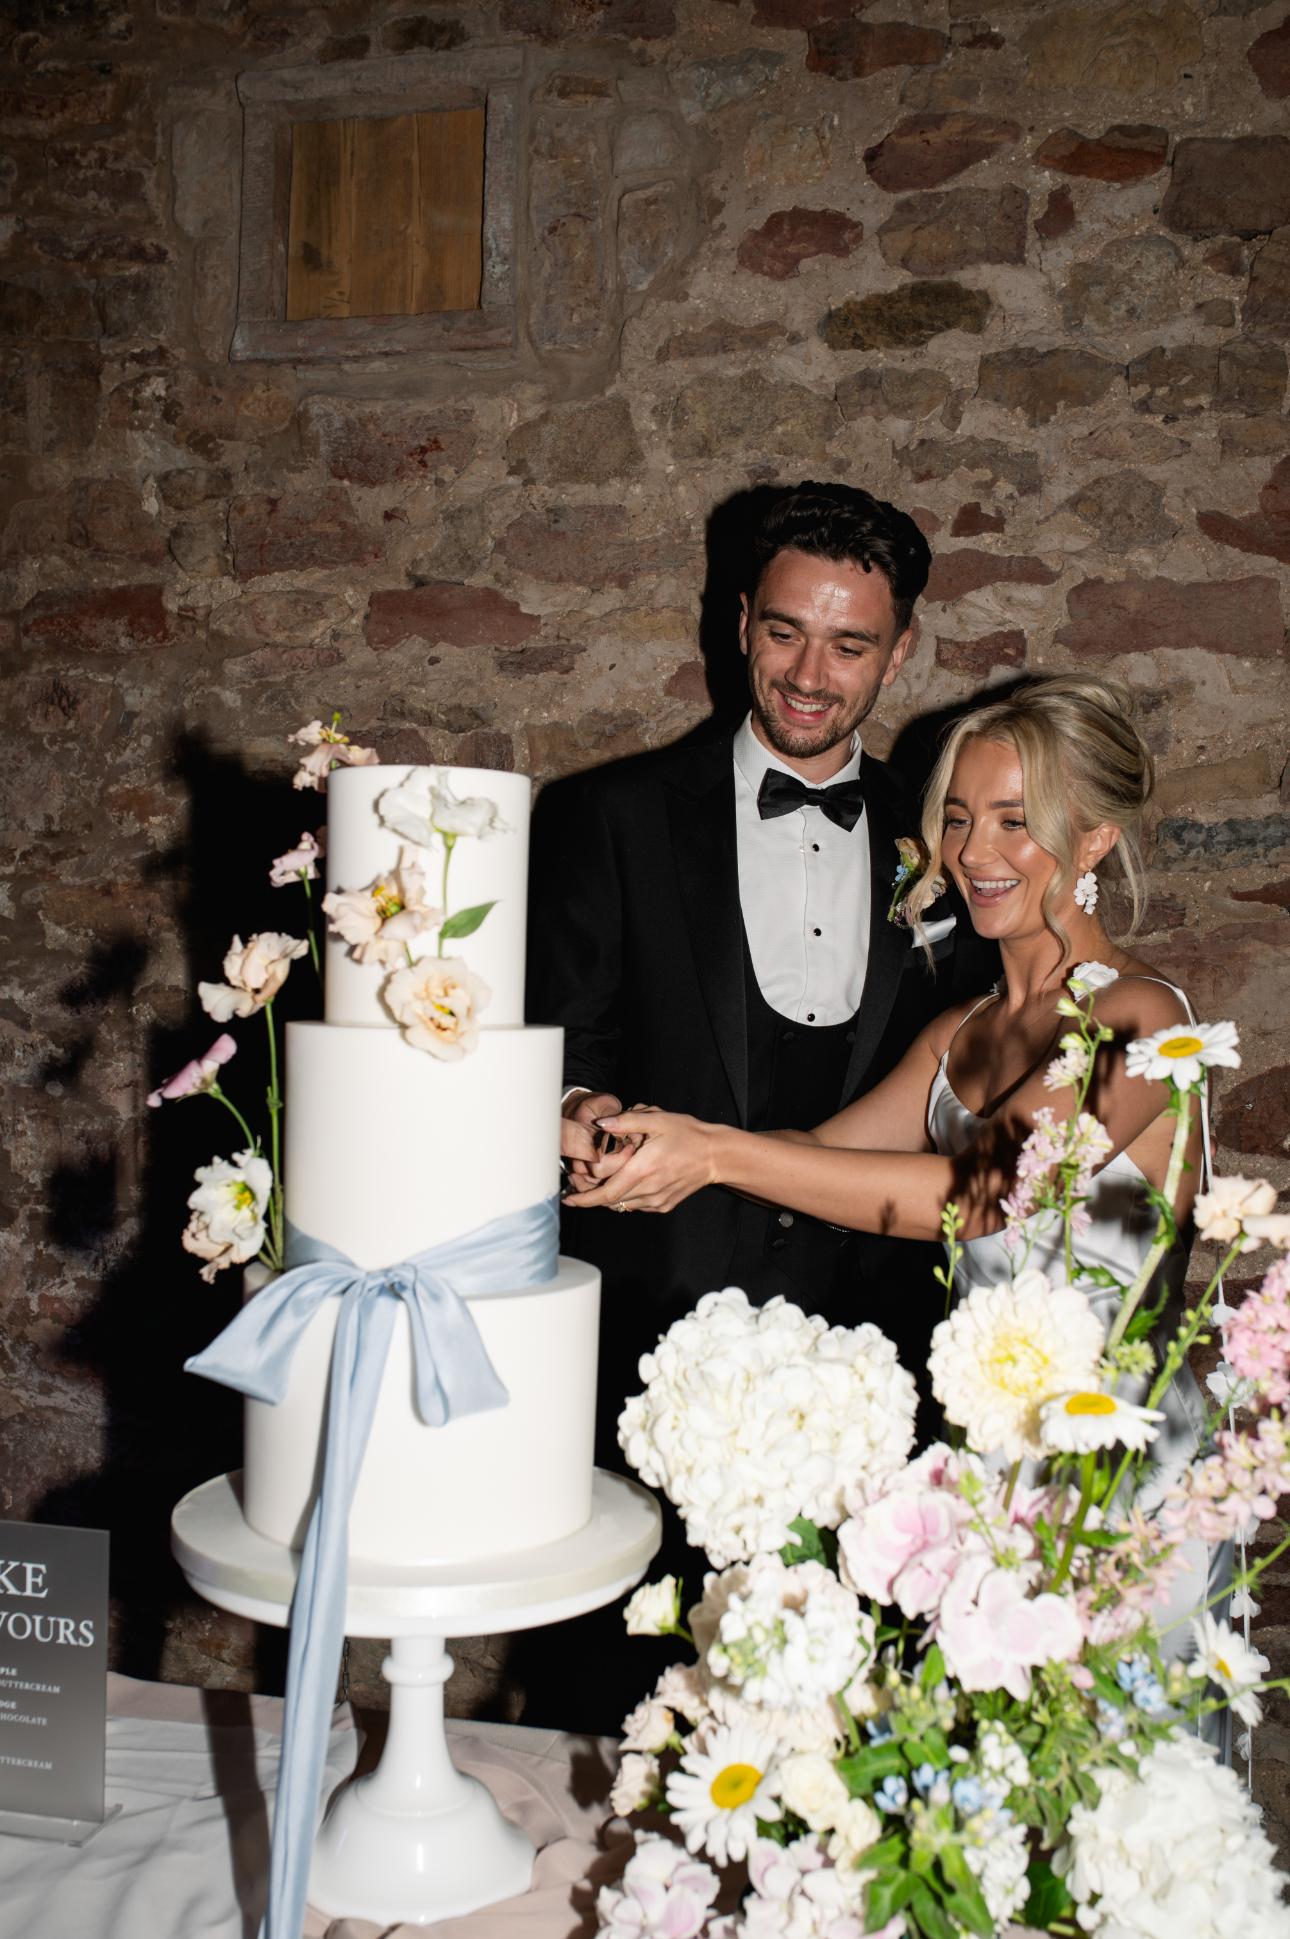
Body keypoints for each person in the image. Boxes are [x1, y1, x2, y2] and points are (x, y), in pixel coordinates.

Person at [565, 675, 1226, 1690]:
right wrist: (635, 1140)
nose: (975, 851)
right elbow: (813, 1159)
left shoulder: (1141, 1019)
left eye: (1018, 820)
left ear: (1093, 839)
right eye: (957, 817)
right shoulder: (956, 1032)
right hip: (980, 1466)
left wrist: (715, 1149)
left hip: (1121, 1472)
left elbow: (981, 1195)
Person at [527, 481, 996, 1457]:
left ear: (900, 651)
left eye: (851, 646)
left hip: (889, 1331)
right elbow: (564, 1037)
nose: (810, 675)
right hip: (657, 1326)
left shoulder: (955, 842)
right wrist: (575, 1109)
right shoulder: (609, 818)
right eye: (785, 633)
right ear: (741, 624)